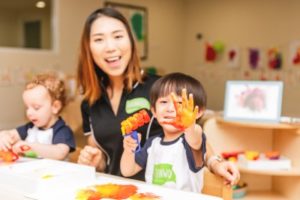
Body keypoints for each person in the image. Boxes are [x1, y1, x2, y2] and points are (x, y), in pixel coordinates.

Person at [76, 7, 161, 180]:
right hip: (113, 191)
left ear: (130, 41)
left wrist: (214, 162)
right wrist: (96, 163)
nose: (110, 47)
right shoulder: (89, 103)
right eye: (99, 39)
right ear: (89, 48)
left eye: (118, 36)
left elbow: (192, 134)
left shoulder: (160, 87)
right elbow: (106, 159)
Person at [120, 72, 240, 192]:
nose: (170, 109)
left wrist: (190, 125)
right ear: (154, 111)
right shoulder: (152, 143)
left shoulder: (191, 142)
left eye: (180, 104)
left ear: (198, 112)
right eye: (163, 102)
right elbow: (127, 171)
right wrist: (129, 150)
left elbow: (196, 135)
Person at [0, 73, 76, 160]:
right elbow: (10, 134)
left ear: (55, 107)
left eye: (36, 108)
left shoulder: (62, 130)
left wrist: (29, 147)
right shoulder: (30, 128)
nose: (29, 113)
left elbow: (59, 153)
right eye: (27, 107)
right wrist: (4, 136)